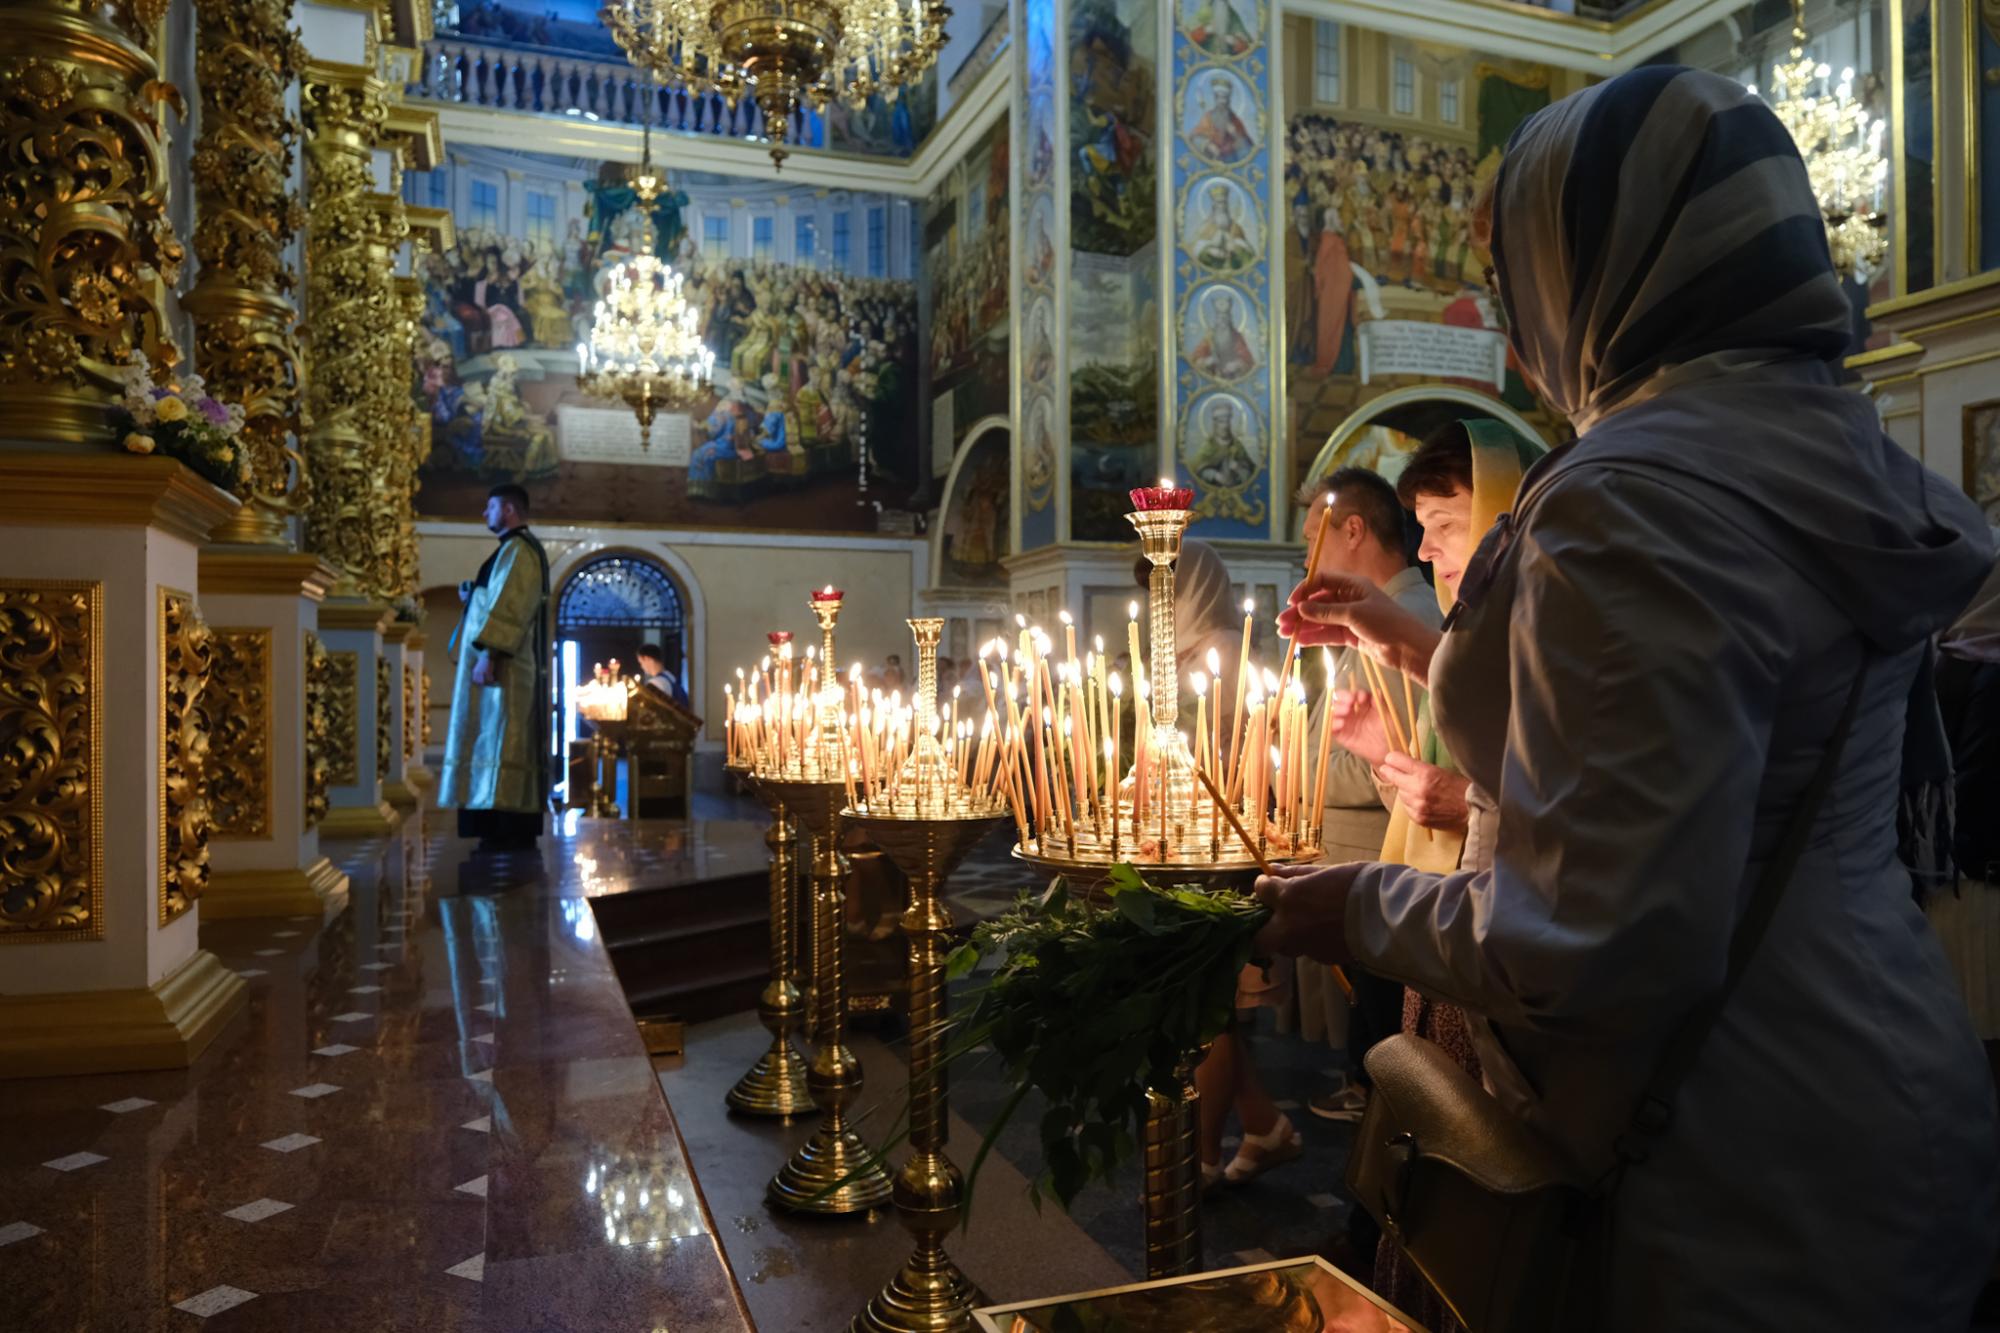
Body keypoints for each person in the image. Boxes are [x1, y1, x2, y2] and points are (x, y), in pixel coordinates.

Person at [1261, 66, 1998, 1330]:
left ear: (1599, 262)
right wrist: (1410, 638)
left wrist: (1354, 907)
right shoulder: (1817, 442)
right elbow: (1682, 741)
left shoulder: (1634, 496)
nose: (1512, 308)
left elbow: (1599, 942)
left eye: (1519, 268)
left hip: (1728, 1156)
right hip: (1871, 1080)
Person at [1289, 467, 1446, 1130]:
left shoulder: (1404, 619)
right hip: (1398, 877)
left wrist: (1293, 775)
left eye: (1445, 528)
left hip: (1401, 873)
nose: (1431, 550)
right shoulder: (1390, 616)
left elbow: (1430, 764)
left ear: (1352, 528)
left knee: (1401, 1067)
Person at [1168, 540, 1302, 1188]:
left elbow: (1233, 749)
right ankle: (1264, 1123)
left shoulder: (1223, 646)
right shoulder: (1179, 650)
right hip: (1180, 840)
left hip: (1223, 846)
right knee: (1205, 1006)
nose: (1156, 596)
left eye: (1166, 580)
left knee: (1211, 1006)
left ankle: (1199, 1157)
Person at [441, 484, 550, 851]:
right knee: (492, 737)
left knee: (504, 738)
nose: (484, 514)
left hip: (505, 668)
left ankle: (505, 826)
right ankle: (490, 821)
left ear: (508, 511)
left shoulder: (520, 551)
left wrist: (489, 653)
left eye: (490, 507)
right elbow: (495, 597)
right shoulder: (509, 551)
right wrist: (473, 594)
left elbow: (512, 606)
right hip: (496, 666)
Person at [1927, 552, 2000, 1098]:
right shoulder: (1992, 673)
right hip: (1980, 883)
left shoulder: (1943, 654)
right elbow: (1975, 781)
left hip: (1938, 876)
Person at [635, 642, 688, 707]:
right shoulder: (670, 677)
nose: (641, 666)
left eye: (641, 662)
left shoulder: (656, 683)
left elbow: (651, 709)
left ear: (647, 658)